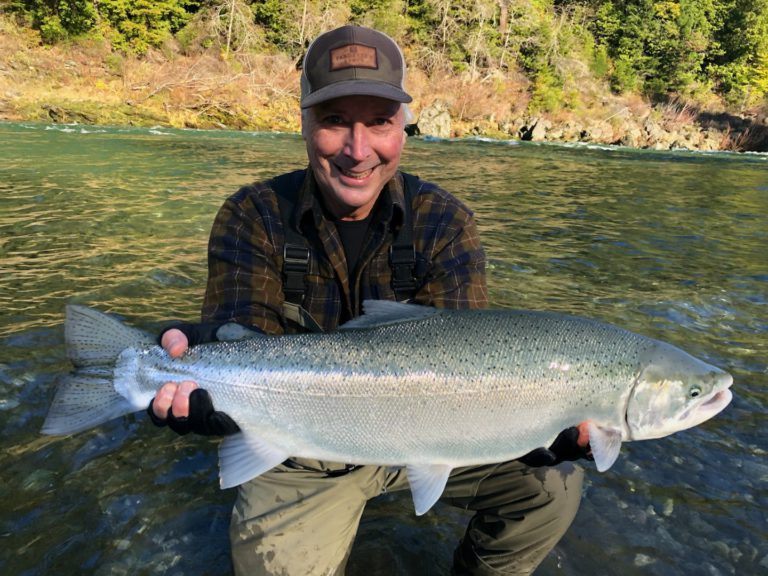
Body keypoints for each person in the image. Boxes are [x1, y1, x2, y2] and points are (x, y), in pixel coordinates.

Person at [148, 25, 591, 575]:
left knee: (553, 487)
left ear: (403, 128)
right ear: (305, 124)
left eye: (379, 122)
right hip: (300, 445)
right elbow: (243, 341)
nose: (358, 151)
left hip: (434, 432)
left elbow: (469, 368)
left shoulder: (445, 223)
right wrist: (202, 374)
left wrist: (549, 423)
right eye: (335, 121)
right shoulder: (254, 215)